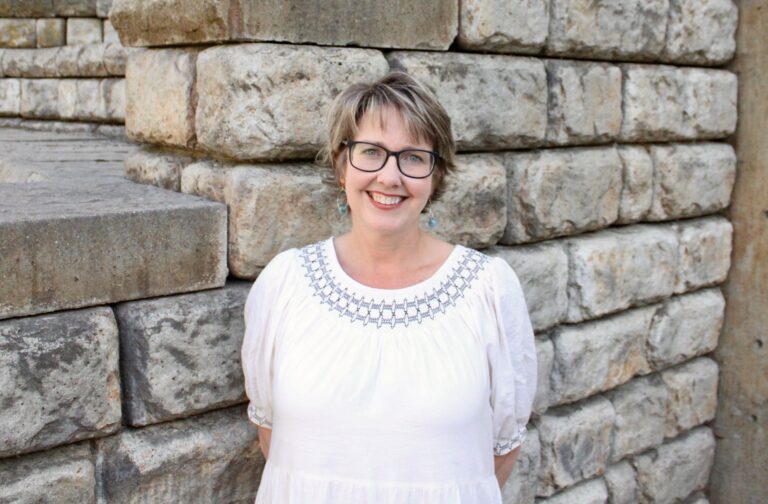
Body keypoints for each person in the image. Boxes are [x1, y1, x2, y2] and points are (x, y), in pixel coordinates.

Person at [241, 72, 537, 503]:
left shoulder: (488, 290)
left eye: (414, 157)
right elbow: (271, 435)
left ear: (435, 176)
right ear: (342, 165)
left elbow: (500, 452)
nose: (389, 176)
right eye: (371, 152)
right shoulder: (286, 282)